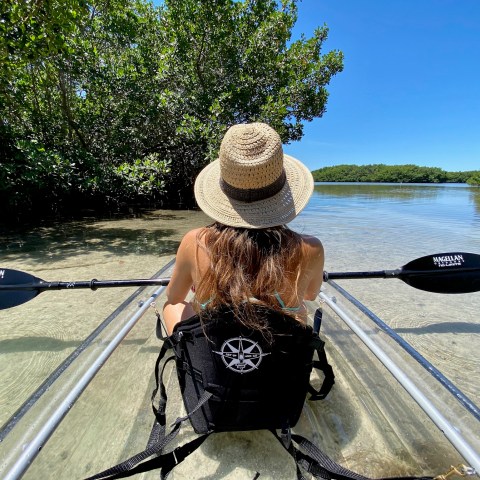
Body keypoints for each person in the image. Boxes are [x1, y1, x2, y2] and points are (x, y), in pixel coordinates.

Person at [163, 122, 324, 335]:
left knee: (171, 307)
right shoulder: (311, 248)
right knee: (299, 308)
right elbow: (310, 295)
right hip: (278, 354)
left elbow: (174, 296)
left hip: (217, 351)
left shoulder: (195, 241)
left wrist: (199, 283)